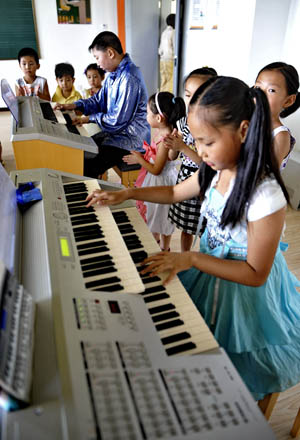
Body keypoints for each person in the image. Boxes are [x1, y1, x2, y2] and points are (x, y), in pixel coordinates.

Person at [86, 76, 300, 401]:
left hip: (244, 297)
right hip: (211, 270)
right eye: (197, 141)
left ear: (243, 130)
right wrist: (127, 192)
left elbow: (256, 274)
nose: (199, 151)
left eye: (207, 142)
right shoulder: (215, 168)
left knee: (235, 374)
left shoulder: (265, 195)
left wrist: (190, 258)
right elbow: (174, 191)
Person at [54, 31, 150, 178]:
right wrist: (73, 105)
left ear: (110, 53)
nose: (97, 63)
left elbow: (117, 120)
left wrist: (88, 119)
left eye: (97, 57)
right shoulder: (114, 74)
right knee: (82, 151)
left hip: (131, 139)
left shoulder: (129, 77)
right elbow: (98, 100)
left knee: (88, 165)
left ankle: (93, 197)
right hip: (117, 134)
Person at [123, 91, 185, 251]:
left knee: (160, 215)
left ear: (159, 118)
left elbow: (156, 169)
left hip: (161, 181)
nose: (146, 116)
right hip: (162, 179)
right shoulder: (166, 131)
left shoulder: (165, 139)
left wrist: (139, 160)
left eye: (147, 113)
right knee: (160, 216)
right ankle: (161, 244)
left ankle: (162, 248)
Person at [165, 67, 217, 251]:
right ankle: (185, 256)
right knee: (186, 227)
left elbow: (207, 165)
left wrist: (183, 147)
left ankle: (203, 260)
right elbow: (173, 157)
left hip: (205, 179)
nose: (192, 101)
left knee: (204, 227)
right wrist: (171, 145)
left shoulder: (214, 128)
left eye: (199, 95)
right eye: (188, 95)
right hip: (184, 177)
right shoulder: (181, 122)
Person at [255, 62, 300, 170]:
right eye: (257, 87)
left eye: (271, 90)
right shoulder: (246, 121)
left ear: (288, 100)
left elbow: (263, 172)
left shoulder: (281, 136)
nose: (260, 94)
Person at [158, 13, 175, 93]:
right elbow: (175, 47)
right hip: (170, 59)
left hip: (162, 60)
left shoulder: (164, 32)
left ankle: (161, 96)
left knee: (163, 81)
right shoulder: (173, 32)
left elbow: (160, 49)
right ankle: (167, 99)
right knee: (170, 81)